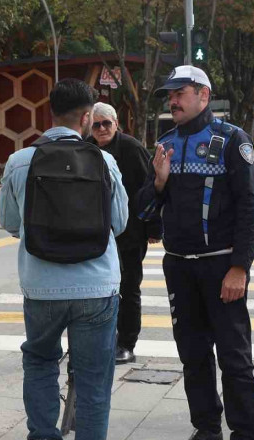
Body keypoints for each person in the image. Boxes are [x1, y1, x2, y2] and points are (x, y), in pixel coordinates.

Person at [135, 65, 254, 440]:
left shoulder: (232, 140)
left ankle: (246, 432)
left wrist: (239, 267)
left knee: (234, 358)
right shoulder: (165, 144)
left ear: (203, 95)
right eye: (170, 95)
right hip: (179, 268)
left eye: (180, 92)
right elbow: (143, 214)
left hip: (222, 267)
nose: (172, 100)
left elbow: (251, 209)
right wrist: (159, 183)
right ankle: (206, 428)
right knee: (192, 357)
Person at [0, 78, 128, 440]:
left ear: (50, 113)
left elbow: (10, 223)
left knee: (39, 362)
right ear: (87, 117)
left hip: (41, 287)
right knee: (94, 378)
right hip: (97, 287)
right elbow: (118, 224)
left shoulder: (20, 162)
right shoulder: (105, 161)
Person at [86, 102, 159, 364]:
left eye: (107, 123)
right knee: (98, 289)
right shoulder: (85, 148)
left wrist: (153, 227)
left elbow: (149, 189)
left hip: (130, 234)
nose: (102, 128)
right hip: (96, 235)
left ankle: (127, 343)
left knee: (128, 288)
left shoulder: (131, 148)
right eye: (97, 124)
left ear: (117, 124)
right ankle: (103, 340)